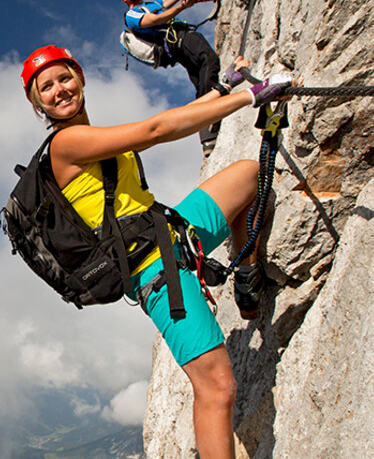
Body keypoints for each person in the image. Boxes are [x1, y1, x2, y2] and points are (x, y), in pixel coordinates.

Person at [19, 44, 292, 459]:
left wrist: (223, 88)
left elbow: (165, 125)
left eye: (65, 77)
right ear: (36, 101)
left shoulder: (89, 135)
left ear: (80, 77)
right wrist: (249, 98)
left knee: (250, 176)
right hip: (155, 273)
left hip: (171, 233)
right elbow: (155, 130)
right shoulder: (67, 144)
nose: (59, 90)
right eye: (47, 86)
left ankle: (248, 282)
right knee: (217, 386)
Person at [118, 0, 225, 156]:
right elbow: (153, 21)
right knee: (209, 60)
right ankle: (212, 115)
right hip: (179, 39)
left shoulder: (154, 5)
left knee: (201, 80)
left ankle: (207, 136)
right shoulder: (132, 14)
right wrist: (182, 7)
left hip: (178, 45)